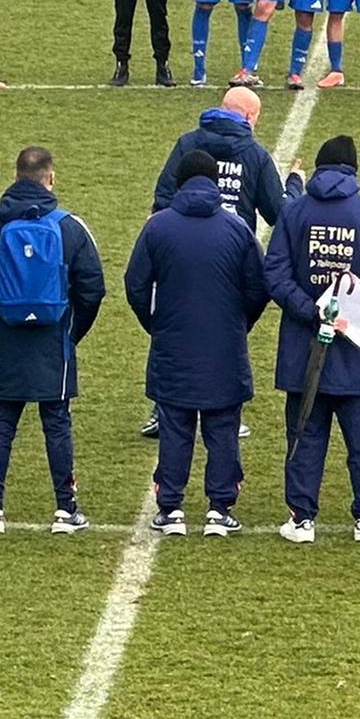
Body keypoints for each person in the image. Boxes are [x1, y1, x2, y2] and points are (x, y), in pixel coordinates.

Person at [264, 133, 360, 541]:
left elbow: (275, 274)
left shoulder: (293, 213)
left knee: (305, 435)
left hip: (303, 347)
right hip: (356, 348)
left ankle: (301, 519)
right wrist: (350, 311)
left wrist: (313, 310)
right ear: (353, 170)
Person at [0, 145, 106, 532]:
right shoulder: (70, 227)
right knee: (56, 422)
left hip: (4, 339)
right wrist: (72, 330)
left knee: (2, 423)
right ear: (51, 178)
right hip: (53, 340)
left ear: (15, 177)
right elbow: (93, 288)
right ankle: (65, 509)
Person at [128, 159, 269, 535]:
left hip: (173, 345)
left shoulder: (158, 227)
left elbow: (136, 285)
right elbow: (258, 287)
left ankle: (170, 507)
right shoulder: (237, 227)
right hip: (225, 347)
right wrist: (239, 325)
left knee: (175, 426)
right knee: (223, 427)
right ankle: (219, 509)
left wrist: (156, 326)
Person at [152, 84, 285, 232]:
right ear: (249, 117)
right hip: (233, 245)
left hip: (183, 240)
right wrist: (294, 185)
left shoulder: (187, 143)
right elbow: (277, 212)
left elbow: (164, 197)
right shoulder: (256, 155)